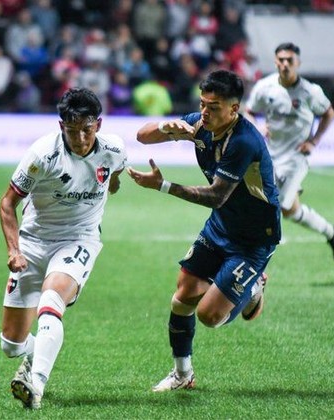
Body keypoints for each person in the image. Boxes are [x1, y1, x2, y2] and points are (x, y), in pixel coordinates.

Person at [127, 70, 281, 392]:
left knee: (210, 316)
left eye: (213, 107)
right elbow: (142, 136)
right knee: (182, 295)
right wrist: (167, 128)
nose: (205, 112)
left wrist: (164, 186)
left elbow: (215, 196)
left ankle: (253, 286)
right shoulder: (200, 124)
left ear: (234, 109)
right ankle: (182, 374)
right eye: (202, 104)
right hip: (221, 225)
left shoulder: (244, 142)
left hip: (254, 238)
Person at [0, 88, 127, 409]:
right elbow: (7, 204)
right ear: (61, 126)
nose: (80, 138)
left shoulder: (114, 149)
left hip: (79, 238)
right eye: (72, 131)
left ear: (98, 125)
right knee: (11, 344)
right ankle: (37, 352)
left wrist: (112, 184)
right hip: (33, 241)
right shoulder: (42, 155)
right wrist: (14, 250)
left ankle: (36, 385)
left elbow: (115, 172)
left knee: (51, 299)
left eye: (87, 129)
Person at [244, 42, 334, 261]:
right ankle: (331, 232)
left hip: (296, 157)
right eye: (281, 60)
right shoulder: (265, 87)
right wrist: (257, 126)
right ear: (275, 62)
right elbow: (248, 111)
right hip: (269, 155)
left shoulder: (310, 92)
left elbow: (329, 114)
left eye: (290, 60)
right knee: (290, 211)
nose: (285, 64)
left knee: (276, 204)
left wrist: (314, 141)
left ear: (298, 63)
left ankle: (255, 253)